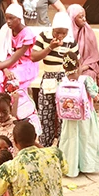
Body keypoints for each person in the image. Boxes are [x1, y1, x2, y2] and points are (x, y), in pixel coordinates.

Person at [0, 4, 41, 133]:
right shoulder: (6, 30)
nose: (8, 21)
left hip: (24, 64)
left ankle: (12, 117)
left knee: (12, 81)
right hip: (7, 62)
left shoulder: (27, 33)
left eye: (11, 18)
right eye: (7, 18)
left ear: (19, 18)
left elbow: (14, 59)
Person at [30, 12, 78, 147]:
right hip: (48, 79)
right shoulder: (44, 37)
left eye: (63, 33)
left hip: (65, 80)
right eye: (57, 32)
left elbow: (75, 65)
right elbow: (34, 57)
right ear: (53, 29)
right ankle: (45, 144)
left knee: (64, 113)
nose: (60, 36)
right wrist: (50, 47)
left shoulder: (71, 42)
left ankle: (63, 145)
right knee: (45, 113)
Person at [57, 52, 99, 177]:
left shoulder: (62, 80)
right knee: (87, 139)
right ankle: (88, 165)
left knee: (71, 140)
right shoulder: (85, 80)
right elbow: (95, 96)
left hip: (69, 118)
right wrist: (95, 95)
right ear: (79, 64)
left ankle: (71, 167)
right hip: (86, 117)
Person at [68, 4, 99, 83]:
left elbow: (93, 58)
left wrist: (81, 69)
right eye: (80, 17)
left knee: (88, 76)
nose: (84, 19)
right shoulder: (65, 33)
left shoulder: (88, 32)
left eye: (84, 16)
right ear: (72, 18)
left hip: (85, 67)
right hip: (68, 68)